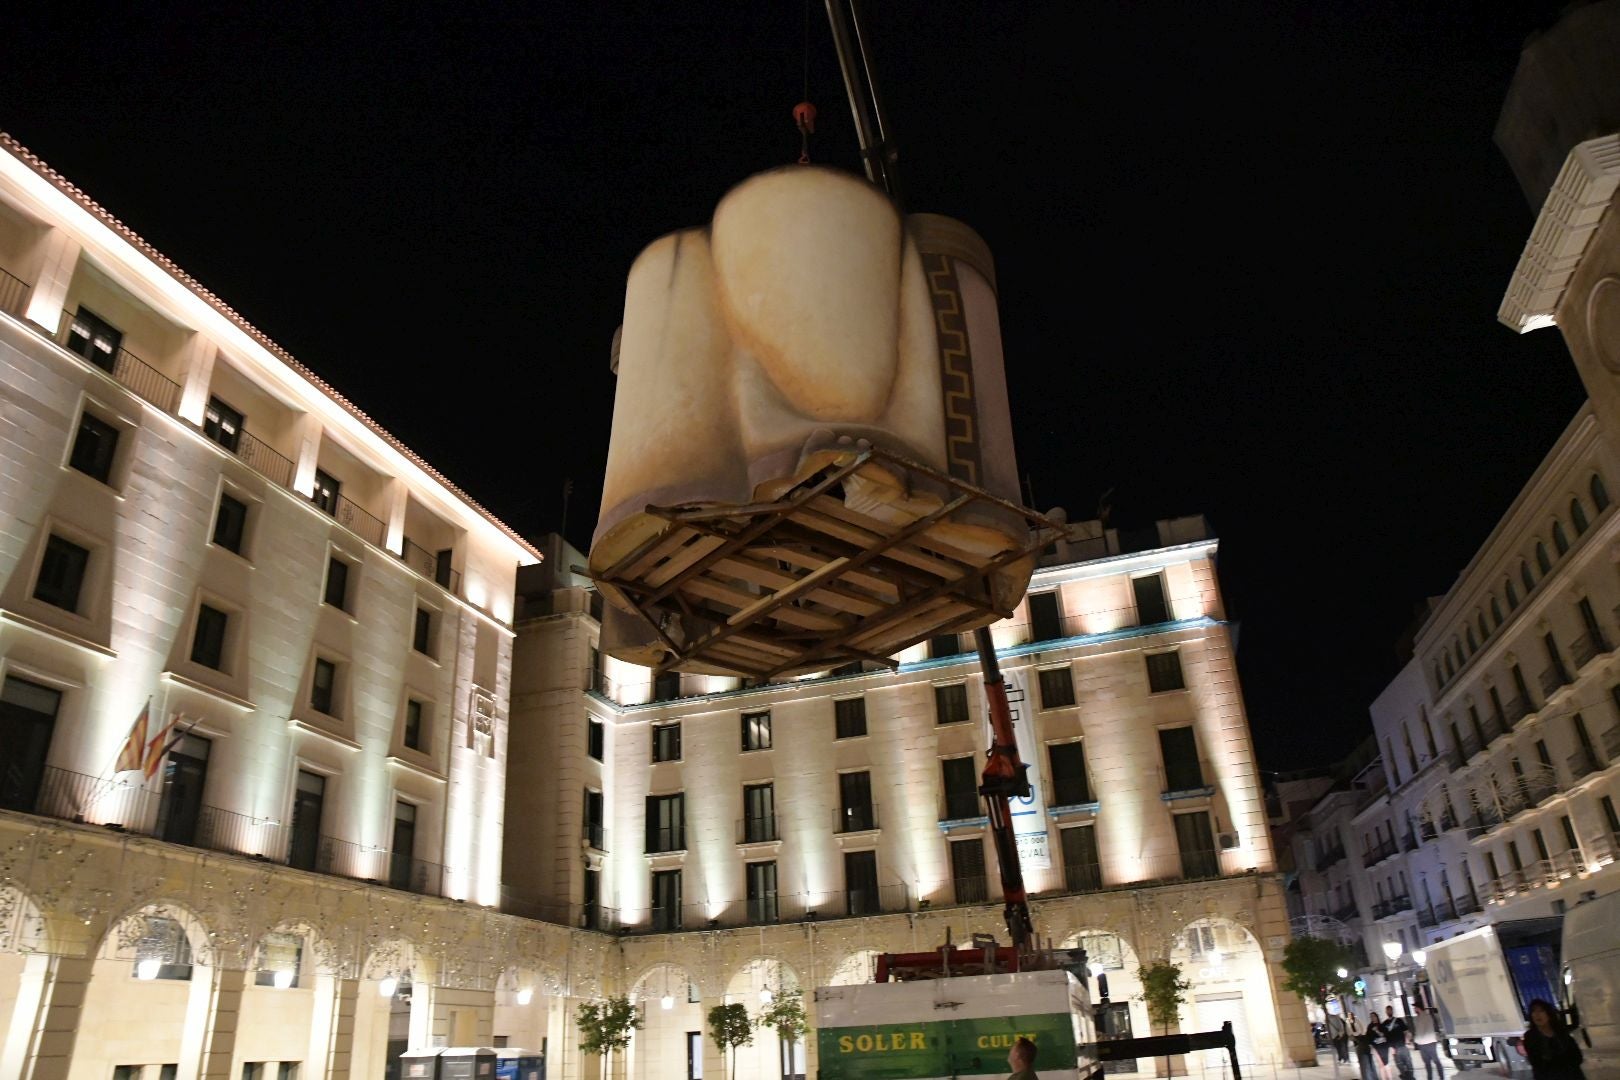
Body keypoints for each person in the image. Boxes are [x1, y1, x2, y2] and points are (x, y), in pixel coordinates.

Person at [1522, 999, 1584, 1080]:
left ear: (1549, 1014)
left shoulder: (1561, 1033)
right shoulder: (1530, 1037)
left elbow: (1577, 1057)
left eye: (1541, 1011)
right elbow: (1537, 1063)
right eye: (1534, 1011)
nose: (1537, 1015)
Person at [1410, 1004, 1443, 1080]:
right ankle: (1441, 1077)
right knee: (1436, 1061)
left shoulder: (1421, 1018)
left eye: (1415, 1008)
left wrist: (1414, 1040)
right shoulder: (1428, 1016)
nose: (1414, 1009)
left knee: (1428, 1063)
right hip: (1431, 1042)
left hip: (1425, 1044)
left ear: (1418, 1008)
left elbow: (1420, 1032)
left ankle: (1430, 1078)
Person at [1385, 1005, 1416, 1080]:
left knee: (1409, 1063)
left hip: (1403, 1046)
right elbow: (1386, 1038)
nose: (1389, 1011)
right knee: (1399, 1065)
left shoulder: (1399, 1020)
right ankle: (1405, 1077)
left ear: (1392, 1011)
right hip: (1394, 1049)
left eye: (1390, 1010)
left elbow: (1406, 1031)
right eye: (1387, 1010)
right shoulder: (1384, 1024)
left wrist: (1407, 1041)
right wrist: (1390, 1048)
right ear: (1386, 1012)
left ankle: (1411, 1077)